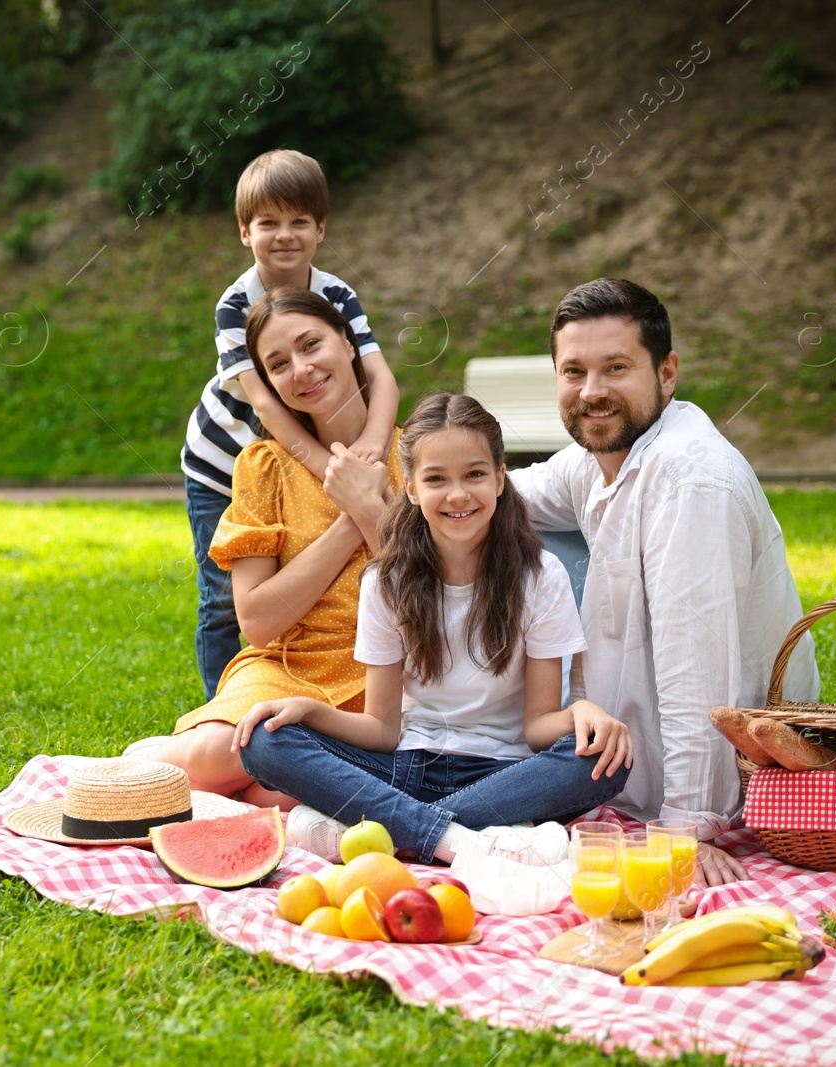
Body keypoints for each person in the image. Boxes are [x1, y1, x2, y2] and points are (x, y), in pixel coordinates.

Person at [509, 278, 820, 886]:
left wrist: (686, 828)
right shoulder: (603, 459)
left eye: (616, 368)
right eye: (574, 372)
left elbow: (698, 667)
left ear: (667, 372)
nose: (592, 392)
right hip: (630, 756)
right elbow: (506, 495)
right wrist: (417, 482)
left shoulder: (690, 481)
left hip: (738, 778)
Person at [233, 393, 633, 864]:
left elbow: (539, 727)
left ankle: (396, 829)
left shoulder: (540, 577)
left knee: (605, 761)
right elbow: (382, 730)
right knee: (265, 741)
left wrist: (583, 713)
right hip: (404, 767)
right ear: (412, 489)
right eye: (436, 479)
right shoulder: (386, 581)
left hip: (503, 777)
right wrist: (310, 711)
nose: (458, 494)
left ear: (501, 478)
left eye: (475, 474)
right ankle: (460, 839)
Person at [144, 288, 399, 803]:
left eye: (311, 345)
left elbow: (431, 599)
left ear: (348, 344)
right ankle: (134, 767)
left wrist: (372, 508)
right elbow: (257, 623)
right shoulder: (264, 465)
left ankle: (244, 793)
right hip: (288, 665)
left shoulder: (421, 454)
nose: (301, 370)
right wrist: (353, 515)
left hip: (389, 682)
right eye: (278, 364)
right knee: (222, 752)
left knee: (279, 794)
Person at [180, 150, 400, 701]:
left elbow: (380, 375)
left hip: (298, 456)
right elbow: (269, 405)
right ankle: (223, 705)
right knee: (223, 598)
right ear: (243, 232)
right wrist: (330, 466)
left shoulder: (337, 295)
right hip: (226, 457)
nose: (285, 235)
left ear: (321, 227)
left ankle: (321, 686)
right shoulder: (234, 305)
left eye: (300, 221)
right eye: (268, 223)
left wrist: (372, 449)